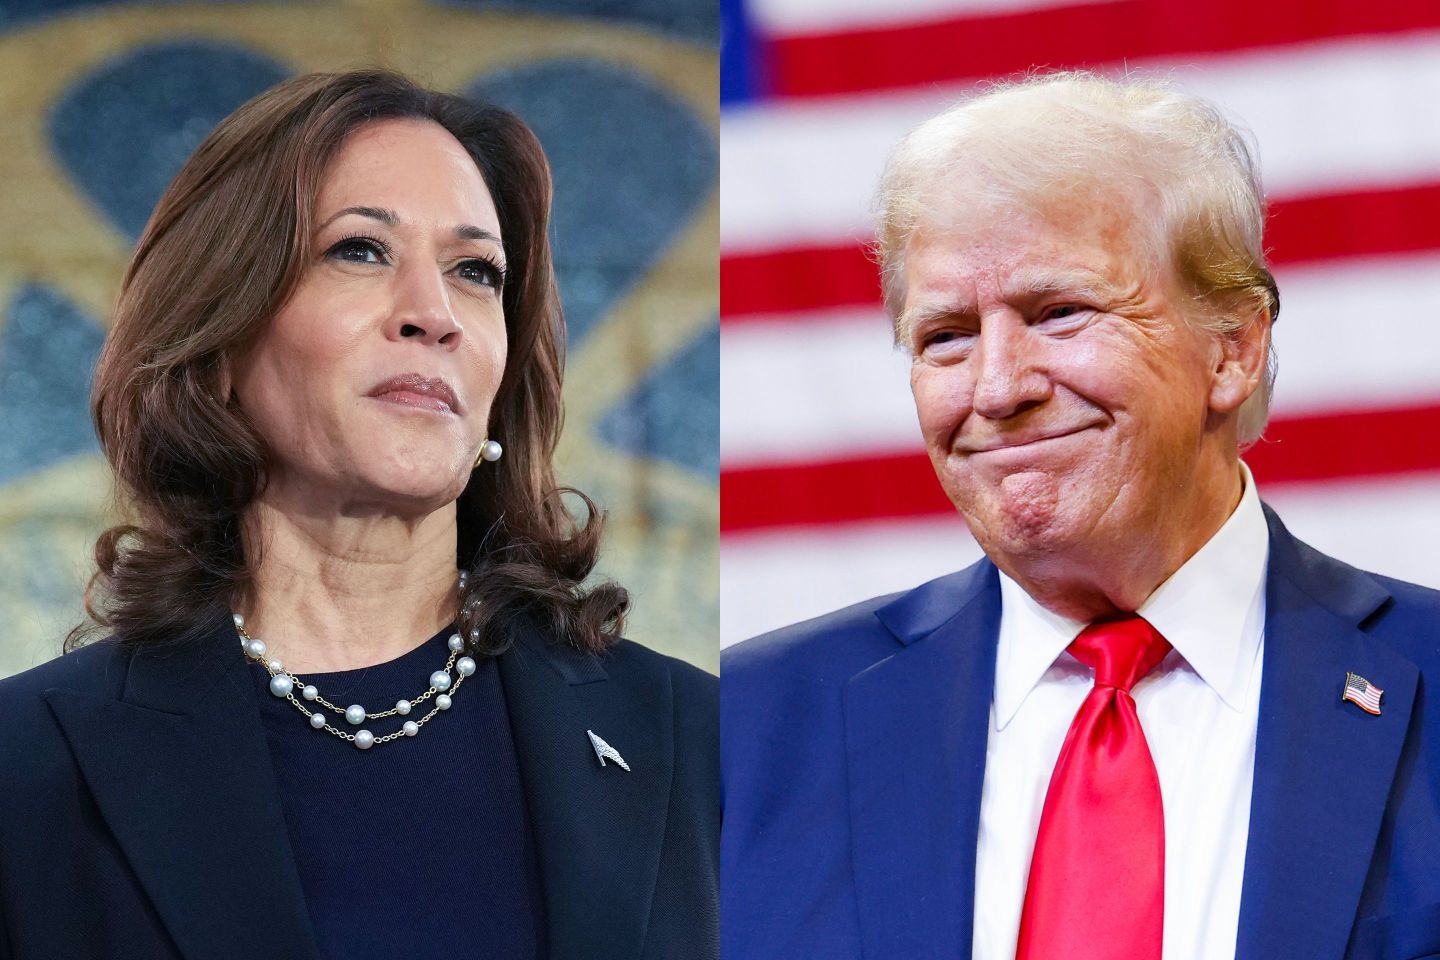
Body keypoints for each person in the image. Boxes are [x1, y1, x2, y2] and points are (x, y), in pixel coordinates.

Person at [0, 69, 717, 960]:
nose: (434, 314)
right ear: (219, 337)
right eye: (361, 251)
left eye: (475, 272)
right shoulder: (29, 766)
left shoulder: (699, 744)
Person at [721, 73, 1440, 960]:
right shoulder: (743, 731)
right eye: (945, 335)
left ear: (1233, 350)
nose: (996, 387)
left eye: (1060, 313)